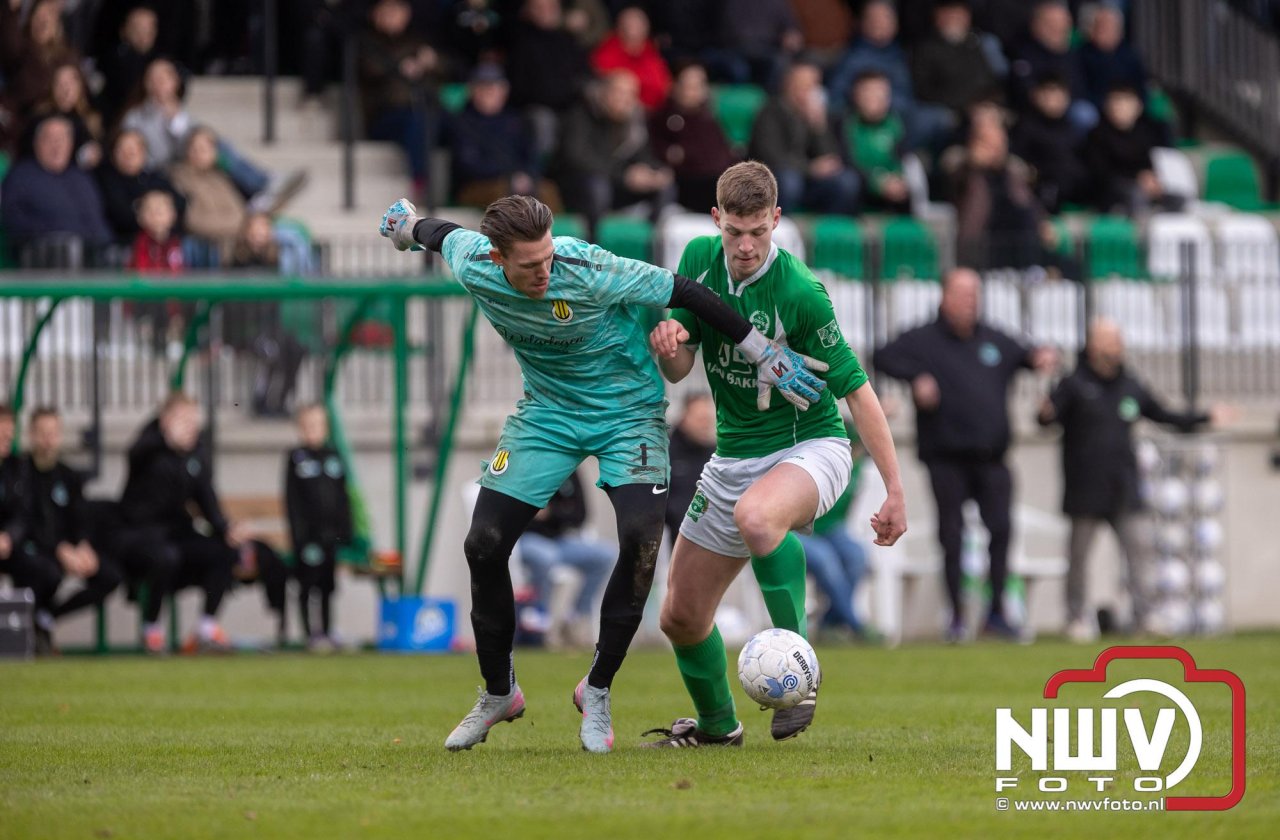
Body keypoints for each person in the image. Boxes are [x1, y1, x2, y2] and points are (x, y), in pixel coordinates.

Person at [378, 192, 827, 753]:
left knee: (640, 542)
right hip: (547, 415)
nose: (546, 271)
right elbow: (439, 233)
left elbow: (687, 292)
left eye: (548, 257)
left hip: (628, 414)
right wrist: (407, 225)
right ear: (496, 258)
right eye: (531, 265)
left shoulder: (587, 266)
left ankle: (597, 688)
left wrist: (762, 350)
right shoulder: (473, 261)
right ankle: (498, 692)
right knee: (483, 544)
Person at [641, 161, 907, 747]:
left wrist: (894, 489)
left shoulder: (799, 292)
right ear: (716, 219)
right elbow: (680, 367)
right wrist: (668, 342)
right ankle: (718, 728)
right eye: (734, 231)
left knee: (758, 517)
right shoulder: (698, 260)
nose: (746, 246)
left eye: (758, 232)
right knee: (680, 616)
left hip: (812, 446)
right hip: (732, 458)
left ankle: (801, 671)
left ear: (776, 220)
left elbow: (857, 391)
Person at [874, 267, 1057, 643]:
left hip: (992, 457)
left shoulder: (993, 339)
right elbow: (882, 356)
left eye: (975, 294)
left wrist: (1042, 358)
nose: (970, 302)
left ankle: (997, 613)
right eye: (962, 294)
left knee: (1001, 530)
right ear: (945, 297)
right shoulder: (923, 339)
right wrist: (915, 377)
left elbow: (1028, 355)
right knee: (952, 535)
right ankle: (956, 615)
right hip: (946, 456)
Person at [1037, 319, 1231, 642]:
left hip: (1124, 486)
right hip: (1085, 487)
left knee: (1140, 551)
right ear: (1094, 345)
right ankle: (1076, 617)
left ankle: (1146, 615)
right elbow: (1048, 418)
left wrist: (1206, 417)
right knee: (1079, 557)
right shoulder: (1074, 384)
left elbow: (1164, 415)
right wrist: (1043, 414)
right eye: (1111, 340)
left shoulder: (1130, 385)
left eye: (1119, 339)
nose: (1118, 346)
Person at [113, 393, 249, 654]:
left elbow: (206, 498)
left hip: (176, 532)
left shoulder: (196, 454)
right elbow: (135, 453)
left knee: (224, 551)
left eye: (193, 420)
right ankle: (151, 629)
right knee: (165, 557)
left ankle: (206, 628)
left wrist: (226, 529)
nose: (190, 426)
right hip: (140, 535)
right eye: (183, 420)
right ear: (165, 421)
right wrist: (165, 440)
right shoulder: (148, 447)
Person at [1, 408, 122, 655]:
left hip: (63, 550)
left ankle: (47, 617)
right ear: (31, 434)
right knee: (45, 572)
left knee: (110, 576)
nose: (48, 439)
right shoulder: (21, 471)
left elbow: (80, 517)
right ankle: (27, 630)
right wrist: (59, 549)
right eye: (42, 433)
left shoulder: (69, 476)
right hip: (34, 548)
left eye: (53, 433)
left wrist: (83, 546)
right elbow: (27, 519)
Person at [552, 69, 675, 238]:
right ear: (604, 92)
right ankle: (594, 246)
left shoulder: (634, 120)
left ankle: (651, 244)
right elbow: (577, 159)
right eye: (619, 92)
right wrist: (624, 176)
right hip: (579, 186)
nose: (625, 99)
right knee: (597, 187)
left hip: (617, 184)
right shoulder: (581, 113)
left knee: (665, 187)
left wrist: (655, 172)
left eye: (631, 94)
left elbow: (643, 155)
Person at [515, 470, 614, 647]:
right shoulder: (527, 465)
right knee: (546, 557)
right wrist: (553, 512)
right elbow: (520, 512)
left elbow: (580, 515)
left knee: (605, 555)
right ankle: (540, 620)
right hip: (526, 539)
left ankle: (575, 619)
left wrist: (551, 512)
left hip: (560, 540)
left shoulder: (571, 469)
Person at [749, 60, 860, 215]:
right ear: (788, 85)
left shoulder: (819, 113)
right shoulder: (770, 112)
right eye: (802, 84)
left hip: (810, 183)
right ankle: (779, 224)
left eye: (813, 85)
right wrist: (810, 169)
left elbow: (831, 158)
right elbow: (771, 157)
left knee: (847, 181)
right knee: (790, 180)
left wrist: (819, 127)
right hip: (778, 180)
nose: (808, 90)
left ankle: (828, 227)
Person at [284, 405, 354, 651]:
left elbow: (343, 497)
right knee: (307, 583)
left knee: (327, 584)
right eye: (308, 426)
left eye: (318, 425)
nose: (313, 431)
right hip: (308, 538)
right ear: (300, 429)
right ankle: (309, 634)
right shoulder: (296, 458)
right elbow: (292, 501)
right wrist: (298, 537)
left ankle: (326, 630)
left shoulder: (334, 456)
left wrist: (346, 531)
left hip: (330, 536)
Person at [0, 115, 113, 263]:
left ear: (71, 144)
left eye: (62, 139)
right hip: (41, 257)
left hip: (88, 256)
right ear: (37, 143)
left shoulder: (82, 177)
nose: (57, 146)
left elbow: (97, 220)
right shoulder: (20, 176)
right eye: (50, 139)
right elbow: (13, 220)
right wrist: (58, 231)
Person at [447, 62, 560, 211]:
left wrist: (527, 175)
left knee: (548, 190)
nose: (491, 92)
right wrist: (510, 176)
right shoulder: (461, 122)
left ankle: (547, 227)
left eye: (496, 87)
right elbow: (468, 166)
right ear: (473, 90)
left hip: (515, 180)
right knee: (505, 195)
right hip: (476, 185)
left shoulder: (515, 120)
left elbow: (531, 155)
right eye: (485, 87)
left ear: (505, 91)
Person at [797, 429, 874, 640]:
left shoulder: (857, 469)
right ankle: (856, 624)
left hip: (832, 528)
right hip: (799, 529)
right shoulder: (818, 465)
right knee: (825, 558)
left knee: (857, 556)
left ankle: (828, 623)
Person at [648, 61, 737, 212]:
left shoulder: (708, 118)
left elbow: (724, 154)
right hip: (687, 184)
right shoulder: (662, 118)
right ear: (675, 86)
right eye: (689, 86)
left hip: (716, 180)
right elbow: (665, 154)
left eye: (699, 86)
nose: (694, 92)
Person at [1083, 84, 1177, 216]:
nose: (1120, 107)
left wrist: (1154, 179)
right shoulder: (1097, 135)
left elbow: (1155, 162)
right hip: (1112, 192)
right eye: (1116, 101)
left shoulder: (1147, 132)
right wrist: (1137, 178)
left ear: (1138, 107)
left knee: (1176, 195)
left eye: (1125, 101)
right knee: (1136, 193)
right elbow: (1101, 174)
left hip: (1146, 186)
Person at [910, 0, 1005, 119]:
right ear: (937, 17)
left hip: (983, 106)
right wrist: (962, 105)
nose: (955, 20)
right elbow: (923, 90)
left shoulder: (977, 42)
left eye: (959, 15)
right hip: (949, 110)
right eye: (949, 15)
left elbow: (990, 80)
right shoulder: (926, 49)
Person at [1010, 74, 1090, 214]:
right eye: (1048, 94)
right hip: (1044, 189)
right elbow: (1017, 161)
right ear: (1036, 96)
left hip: (1076, 190)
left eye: (1058, 94)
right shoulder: (1025, 127)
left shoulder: (1072, 127)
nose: (1053, 100)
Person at [97, 129, 187, 243]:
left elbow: (180, 203)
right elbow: (119, 215)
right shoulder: (107, 179)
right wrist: (149, 215)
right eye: (122, 150)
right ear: (113, 154)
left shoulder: (155, 178)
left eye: (133, 149)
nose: (128, 154)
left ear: (144, 153)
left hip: (166, 241)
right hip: (126, 242)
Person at [840, 70, 910, 214]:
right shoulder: (844, 124)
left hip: (892, 188)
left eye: (880, 93)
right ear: (856, 95)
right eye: (868, 92)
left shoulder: (896, 124)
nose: (874, 98)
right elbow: (846, 162)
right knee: (848, 182)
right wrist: (876, 182)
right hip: (861, 189)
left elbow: (901, 159)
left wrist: (896, 180)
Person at [590, 6, 671, 112]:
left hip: (646, 112)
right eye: (628, 26)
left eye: (638, 26)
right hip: (609, 109)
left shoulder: (653, 55)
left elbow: (660, 88)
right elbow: (601, 77)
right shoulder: (606, 50)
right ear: (619, 28)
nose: (632, 31)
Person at [665, 392, 716, 549]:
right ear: (684, 418)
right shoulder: (666, 453)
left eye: (708, 420)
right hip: (674, 538)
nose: (705, 425)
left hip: (714, 537)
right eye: (701, 419)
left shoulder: (715, 455)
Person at [1079, 2, 1148, 112]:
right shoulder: (1082, 54)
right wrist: (1108, 104)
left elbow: (1141, 86)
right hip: (1097, 106)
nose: (1105, 31)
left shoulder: (1130, 55)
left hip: (1127, 105)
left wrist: (1133, 103)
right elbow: (1081, 90)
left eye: (1110, 27)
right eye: (1101, 26)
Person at [130, 190, 184, 273]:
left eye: (159, 212)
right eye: (150, 212)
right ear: (140, 217)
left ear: (172, 215)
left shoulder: (176, 242)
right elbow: (141, 271)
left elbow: (180, 270)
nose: (155, 217)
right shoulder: (141, 242)